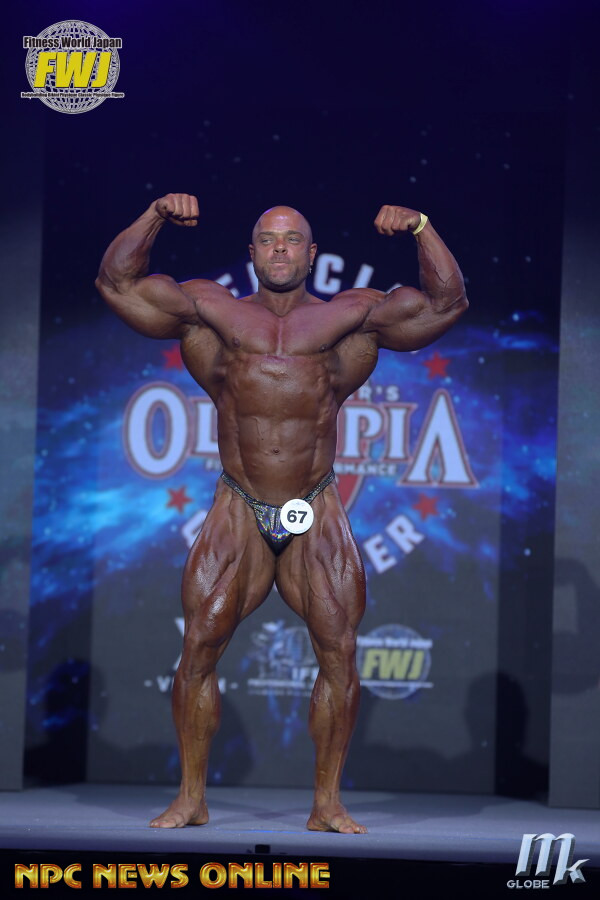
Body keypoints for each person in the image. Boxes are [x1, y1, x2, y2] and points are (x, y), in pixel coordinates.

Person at [96, 194, 468, 833]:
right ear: (252, 252)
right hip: (239, 503)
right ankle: (191, 798)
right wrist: (155, 214)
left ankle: (327, 804)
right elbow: (117, 283)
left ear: (311, 253)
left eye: (292, 239)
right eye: (268, 239)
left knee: (338, 652)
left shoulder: (351, 316)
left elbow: (446, 304)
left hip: (314, 502)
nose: (280, 249)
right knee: (199, 647)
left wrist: (422, 228)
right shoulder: (211, 310)